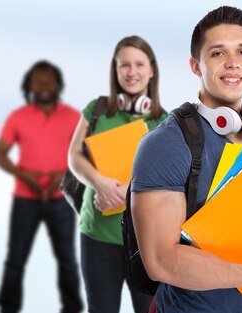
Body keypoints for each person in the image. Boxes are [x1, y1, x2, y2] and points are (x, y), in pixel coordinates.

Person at [129, 6, 242, 313]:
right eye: (218, 53)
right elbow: (160, 261)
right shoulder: (165, 144)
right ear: (196, 65)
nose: (233, 63)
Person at [67, 35, 167, 313]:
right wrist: (100, 183)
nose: (132, 72)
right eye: (124, 65)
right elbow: (73, 156)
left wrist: (124, 193)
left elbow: (170, 180)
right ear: (115, 70)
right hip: (97, 234)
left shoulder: (165, 122)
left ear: (152, 69)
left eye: (139, 64)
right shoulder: (97, 110)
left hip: (144, 239)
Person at [0, 60, 83, 313]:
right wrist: (26, 177)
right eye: (38, 80)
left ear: (57, 84)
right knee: (16, 259)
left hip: (60, 198)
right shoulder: (17, 117)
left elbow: (85, 153)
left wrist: (63, 174)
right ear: (29, 85)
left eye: (49, 80)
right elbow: (0, 154)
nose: (44, 85)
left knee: (66, 259)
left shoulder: (72, 116)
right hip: (25, 199)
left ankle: (72, 308)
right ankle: (8, 308)